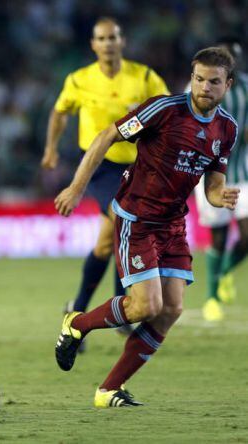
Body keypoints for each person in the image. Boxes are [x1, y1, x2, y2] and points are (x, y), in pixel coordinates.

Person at [53, 47, 239, 408]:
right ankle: (77, 323)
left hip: (173, 224)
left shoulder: (226, 129)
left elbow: (213, 184)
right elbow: (107, 134)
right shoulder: (165, 110)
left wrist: (221, 198)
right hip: (136, 219)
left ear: (227, 84)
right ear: (192, 77)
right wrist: (77, 187)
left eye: (214, 81)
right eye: (199, 78)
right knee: (145, 306)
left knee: (171, 310)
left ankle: (108, 391)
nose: (204, 87)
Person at [42, 17, 169, 340]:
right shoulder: (80, 79)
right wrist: (52, 148)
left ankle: (77, 310)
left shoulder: (143, 77)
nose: (109, 43)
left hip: (139, 166)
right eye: (102, 38)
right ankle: (121, 308)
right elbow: (60, 112)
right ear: (93, 45)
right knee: (120, 216)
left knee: (104, 243)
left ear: (122, 41)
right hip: (100, 166)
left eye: (113, 37)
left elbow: (169, 111)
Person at [193, 38, 248, 321]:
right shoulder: (199, 90)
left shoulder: (246, 89)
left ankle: (225, 271)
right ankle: (212, 298)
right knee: (219, 236)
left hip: (242, 173)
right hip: (209, 175)